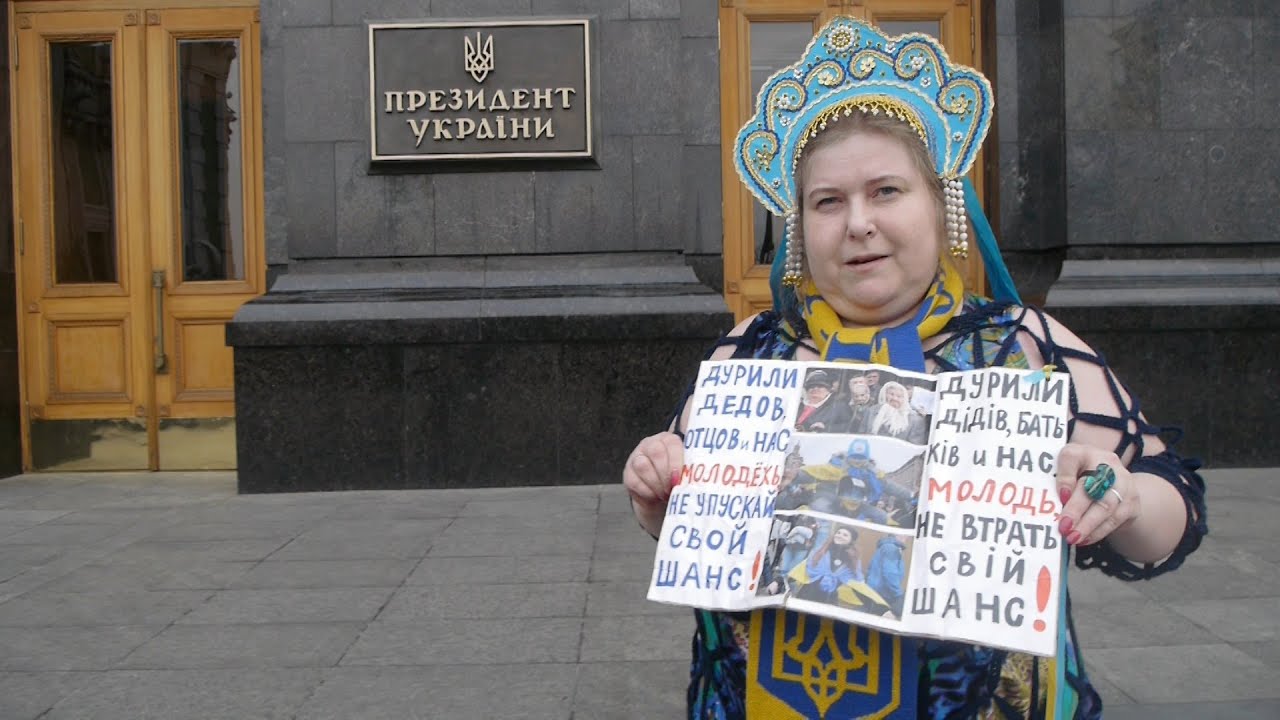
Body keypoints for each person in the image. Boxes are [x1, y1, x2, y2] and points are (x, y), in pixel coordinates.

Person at [621, 17, 1206, 720]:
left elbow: (1173, 514)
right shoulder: (748, 352)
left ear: (941, 204)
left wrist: (1123, 499)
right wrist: (657, 497)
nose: (857, 223)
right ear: (800, 228)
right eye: (828, 201)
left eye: (886, 191)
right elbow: (693, 523)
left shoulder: (1024, 349)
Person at [793, 525, 864, 604]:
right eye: (838, 533)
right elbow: (806, 567)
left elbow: (856, 580)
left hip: (830, 599)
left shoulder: (852, 559)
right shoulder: (822, 550)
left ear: (851, 540)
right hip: (807, 593)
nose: (840, 536)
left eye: (845, 535)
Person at [869, 380, 929, 444]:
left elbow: (915, 445)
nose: (895, 398)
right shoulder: (872, 411)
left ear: (905, 398)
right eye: (891, 394)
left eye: (899, 396)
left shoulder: (915, 419)